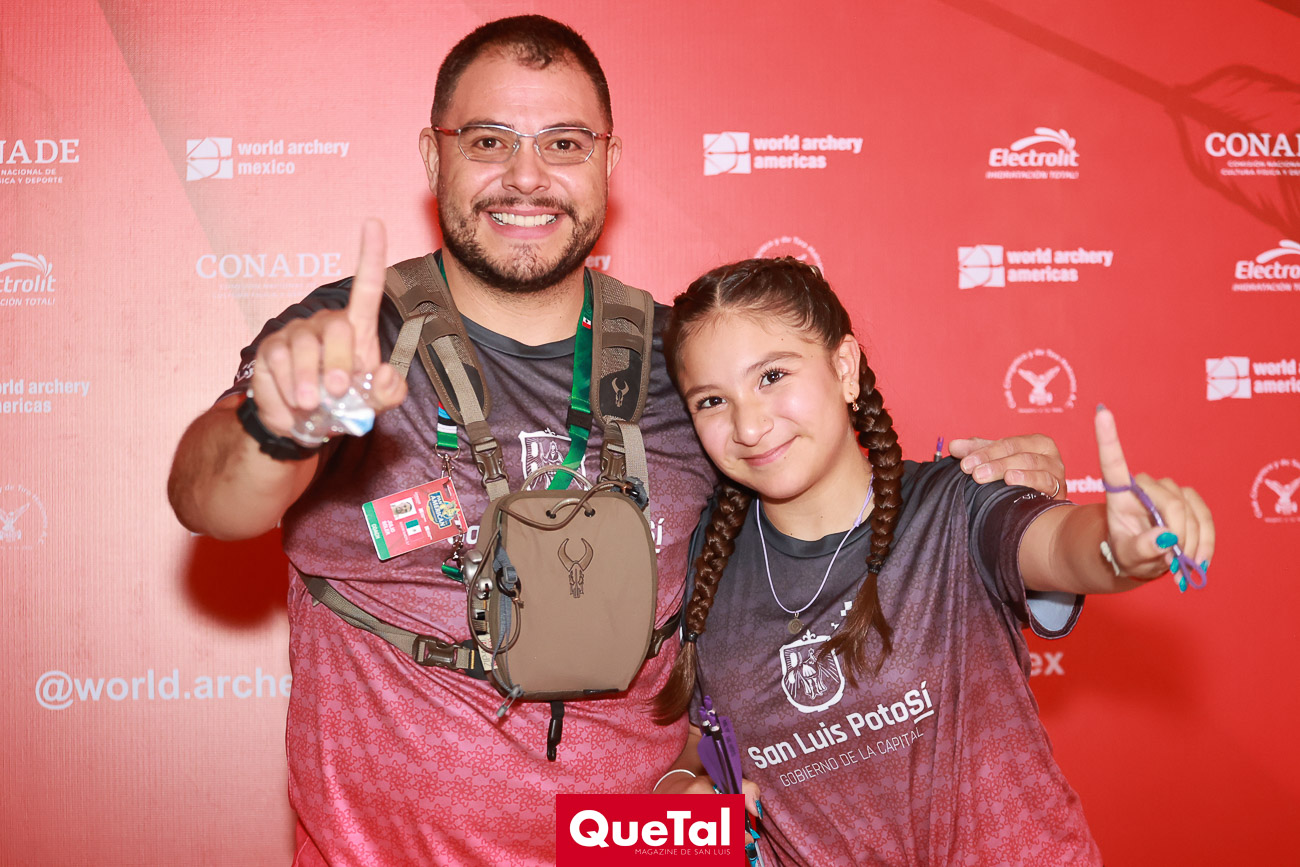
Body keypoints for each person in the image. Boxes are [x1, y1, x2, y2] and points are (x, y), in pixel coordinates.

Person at [167, 16, 1070, 866]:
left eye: (564, 143)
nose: (527, 177)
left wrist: (993, 505)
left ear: (609, 161)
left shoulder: (690, 370)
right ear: (433, 156)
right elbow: (208, 500)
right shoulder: (352, 340)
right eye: (489, 141)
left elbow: (819, 563)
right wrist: (278, 425)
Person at [649, 257, 1215, 865]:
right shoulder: (702, 565)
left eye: (772, 376)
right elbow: (704, 740)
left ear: (844, 368)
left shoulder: (955, 504)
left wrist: (1116, 545)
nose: (749, 425)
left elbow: (1056, 545)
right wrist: (679, 789)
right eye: (712, 400)